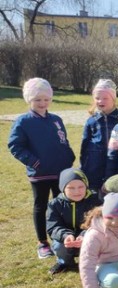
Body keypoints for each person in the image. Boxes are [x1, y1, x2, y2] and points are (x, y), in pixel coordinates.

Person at [7, 78, 75, 259]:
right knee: (41, 206)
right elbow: (15, 146)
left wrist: (68, 157)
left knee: (61, 205)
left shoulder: (56, 120)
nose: (42, 103)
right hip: (40, 174)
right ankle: (42, 242)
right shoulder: (23, 121)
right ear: (29, 99)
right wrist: (35, 162)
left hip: (60, 172)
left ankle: (61, 237)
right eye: (37, 99)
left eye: (46, 99)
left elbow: (63, 140)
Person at [46, 168, 101, 275]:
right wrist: (65, 236)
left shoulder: (95, 201)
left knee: (96, 242)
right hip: (67, 240)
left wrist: (85, 235)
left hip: (88, 236)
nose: (77, 191)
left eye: (81, 187)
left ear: (86, 186)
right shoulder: (54, 204)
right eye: (71, 188)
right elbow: (53, 226)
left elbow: (98, 222)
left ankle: (91, 262)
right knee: (58, 245)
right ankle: (65, 262)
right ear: (63, 189)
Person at [80, 79, 118, 192]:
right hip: (94, 167)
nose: (100, 101)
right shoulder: (91, 121)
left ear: (113, 99)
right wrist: (83, 167)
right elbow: (84, 147)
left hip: (116, 165)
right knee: (94, 197)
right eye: (97, 98)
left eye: (105, 98)